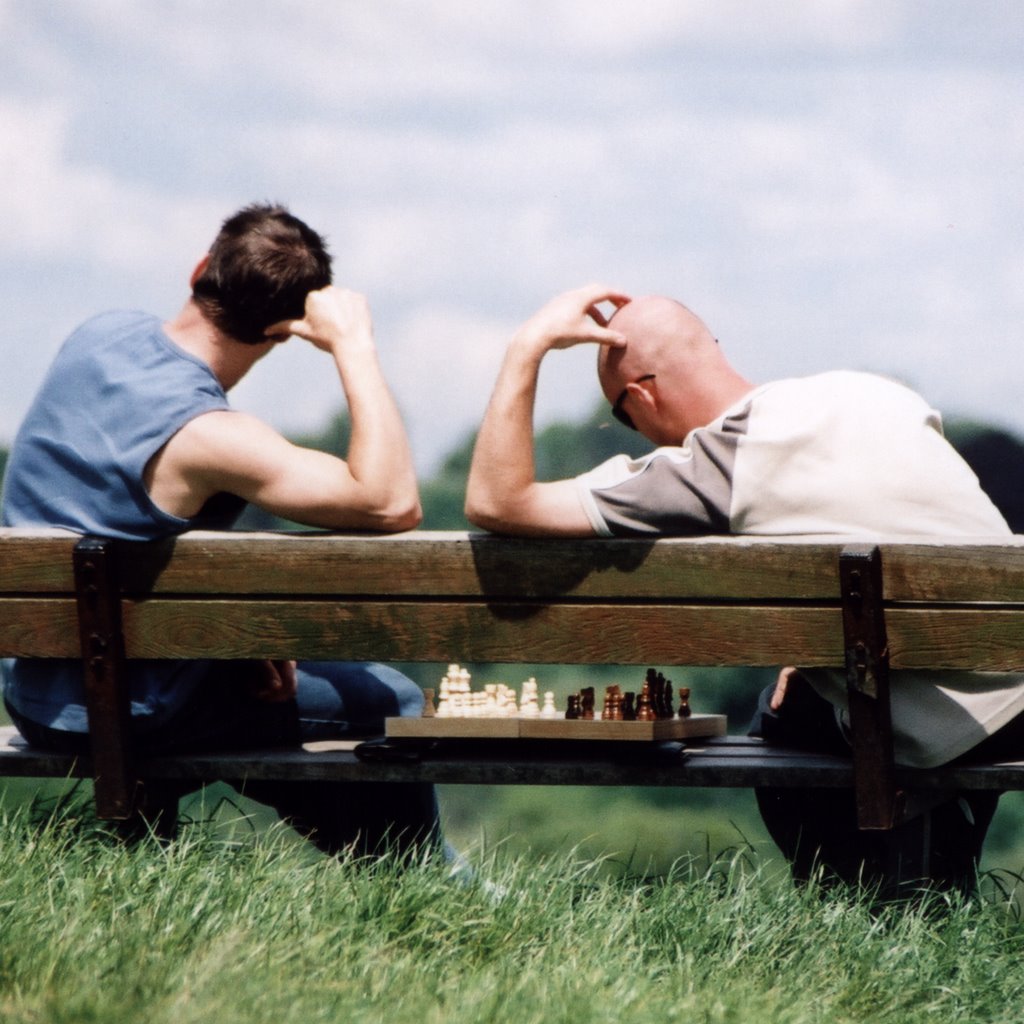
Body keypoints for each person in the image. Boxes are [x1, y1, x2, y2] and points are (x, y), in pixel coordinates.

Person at [464, 283, 1024, 893]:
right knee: (814, 696)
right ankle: (931, 881)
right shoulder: (879, 394)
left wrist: (527, 347)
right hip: (1011, 681)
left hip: (953, 731)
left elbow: (497, 501)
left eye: (623, 416)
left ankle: (864, 898)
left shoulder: (723, 460)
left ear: (643, 397)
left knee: (779, 718)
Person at [1, 203, 441, 858]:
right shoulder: (211, 438)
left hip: (34, 691)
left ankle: (390, 864)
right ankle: (422, 878)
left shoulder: (99, 334)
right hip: (129, 709)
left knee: (271, 702)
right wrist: (355, 346)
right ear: (285, 330)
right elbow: (392, 501)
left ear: (200, 268)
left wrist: (233, 640)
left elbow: (102, 511)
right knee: (393, 697)